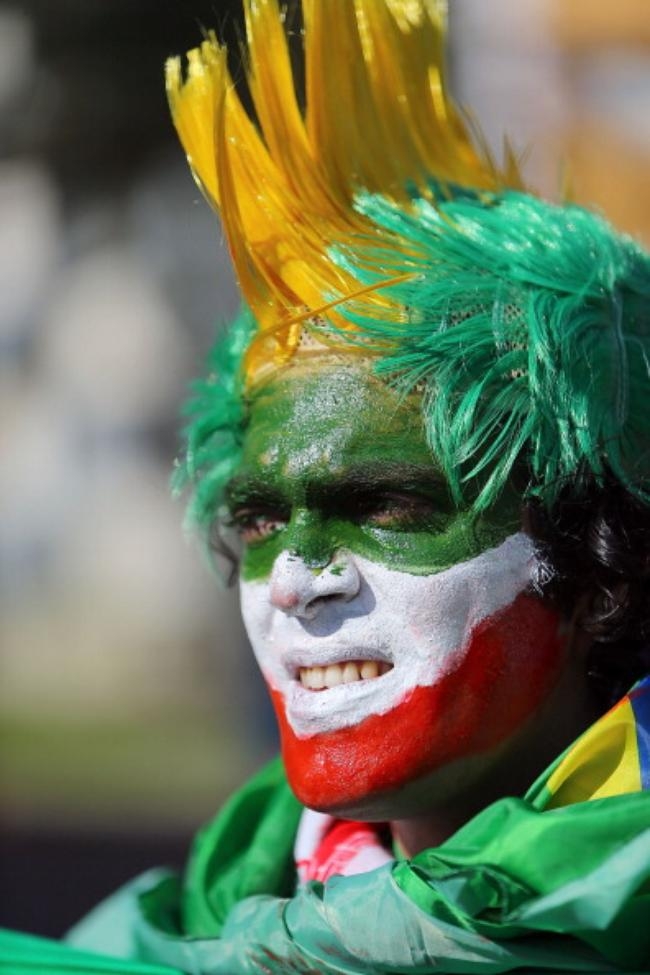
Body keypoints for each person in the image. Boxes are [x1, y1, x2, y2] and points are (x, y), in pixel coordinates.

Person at [2, 1, 649, 972]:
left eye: (385, 507)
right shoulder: (205, 917)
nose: (299, 579)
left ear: (599, 567)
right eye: (261, 519)